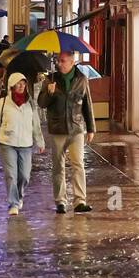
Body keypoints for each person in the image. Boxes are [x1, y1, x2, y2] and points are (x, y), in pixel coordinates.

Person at [0, 71, 45, 216]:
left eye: (23, 84)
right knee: (11, 175)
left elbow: (36, 125)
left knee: (25, 176)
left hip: (26, 144)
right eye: (18, 84)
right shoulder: (2, 103)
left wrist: (40, 141)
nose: (21, 87)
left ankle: (19, 196)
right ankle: (13, 203)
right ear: (11, 86)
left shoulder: (30, 104)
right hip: (7, 143)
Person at [38, 51, 95, 214]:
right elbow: (41, 104)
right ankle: (60, 201)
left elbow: (87, 105)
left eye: (63, 61)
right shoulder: (50, 79)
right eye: (58, 61)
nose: (59, 63)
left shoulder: (81, 80)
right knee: (58, 166)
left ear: (71, 62)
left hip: (76, 128)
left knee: (78, 164)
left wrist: (91, 128)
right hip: (57, 129)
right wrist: (49, 92)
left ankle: (80, 201)